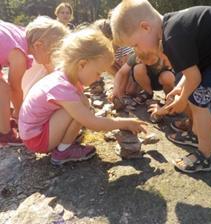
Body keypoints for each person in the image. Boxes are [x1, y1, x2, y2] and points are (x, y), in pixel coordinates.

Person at [110, 0, 211, 173]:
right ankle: (197, 132)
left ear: (145, 27)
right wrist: (180, 88)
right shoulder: (172, 26)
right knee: (193, 96)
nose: (136, 50)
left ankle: (205, 156)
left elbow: (193, 77)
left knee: (196, 101)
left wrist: (182, 100)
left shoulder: (172, 37)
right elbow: (192, 71)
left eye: (134, 44)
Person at [18, 28, 147, 166]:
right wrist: (125, 123)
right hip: (37, 139)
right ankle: (63, 151)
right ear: (82, 65)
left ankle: (64, 141)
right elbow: (93, 123)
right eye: (98, 72)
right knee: (78, 108)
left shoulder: (65, 75)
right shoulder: (62, 87)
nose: (99, 78)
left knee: (82, 104)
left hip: (35, 132)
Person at [0, 17, 68, 147]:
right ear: (38, 45)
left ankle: (4, 122)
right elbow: (15, 88)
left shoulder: (19, 34)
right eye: (53, 54)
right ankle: (4, 133)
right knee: (3, 89)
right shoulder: (18, 54)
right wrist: (21, 115)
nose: (52, 58)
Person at [22, 16, 69, 97]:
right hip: (27, 97)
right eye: (53, 53)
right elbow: (54, 74)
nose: (54, 56)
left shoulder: (28, 49)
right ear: (38, 45)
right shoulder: (38, 55)